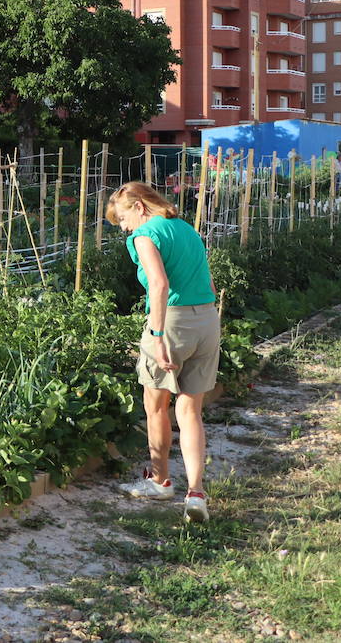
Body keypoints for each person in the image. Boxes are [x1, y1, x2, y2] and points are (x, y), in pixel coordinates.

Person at [106, 181, 219, 523]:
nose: (123, 227)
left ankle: (160, 480)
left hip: (172, 321)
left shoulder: (145, 235)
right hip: (207, 319)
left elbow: (159, 284)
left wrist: (157, 334)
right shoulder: (185, 228)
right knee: (191, 411)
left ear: (139, 206)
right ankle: (196, 493)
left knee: (156, 405)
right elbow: (208, 280)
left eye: (123, 217)